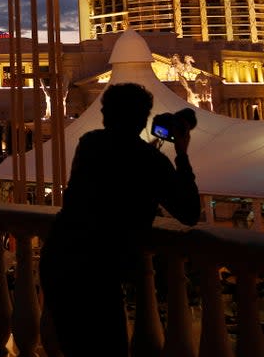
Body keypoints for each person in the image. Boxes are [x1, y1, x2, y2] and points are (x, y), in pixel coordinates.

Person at [39, 82, 201, 356]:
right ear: (143, 118)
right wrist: (181, 154)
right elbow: (189, 213)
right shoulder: (150, 161)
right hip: (99, 274)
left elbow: (114, 166)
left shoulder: (89, 143)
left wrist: (147, 153)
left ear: (106, 115)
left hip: (60, 259)